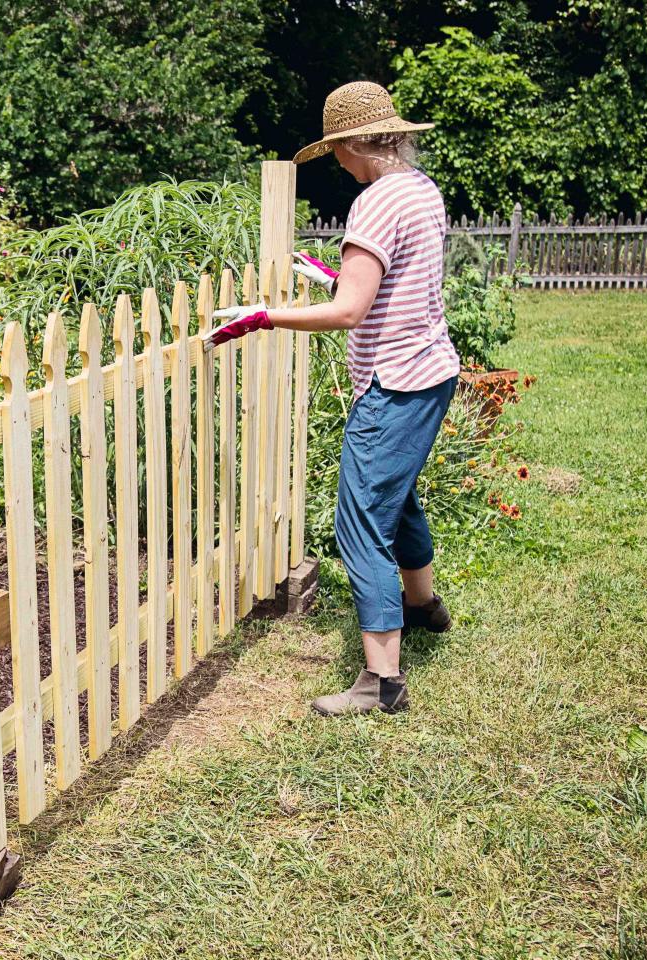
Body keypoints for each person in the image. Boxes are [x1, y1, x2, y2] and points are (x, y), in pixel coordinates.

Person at [206, 81, 460, 717]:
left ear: (352, 144)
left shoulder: (375, 202)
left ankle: (382, 683)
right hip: (432, 370)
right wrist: (328, 273)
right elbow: (395, 282)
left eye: (337, 154)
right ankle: (422, 605)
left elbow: (351, 311)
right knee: (396, 502)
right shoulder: (420, 191)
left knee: (362, 521)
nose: (338, 167)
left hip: (393, 382)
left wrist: (261, 316)